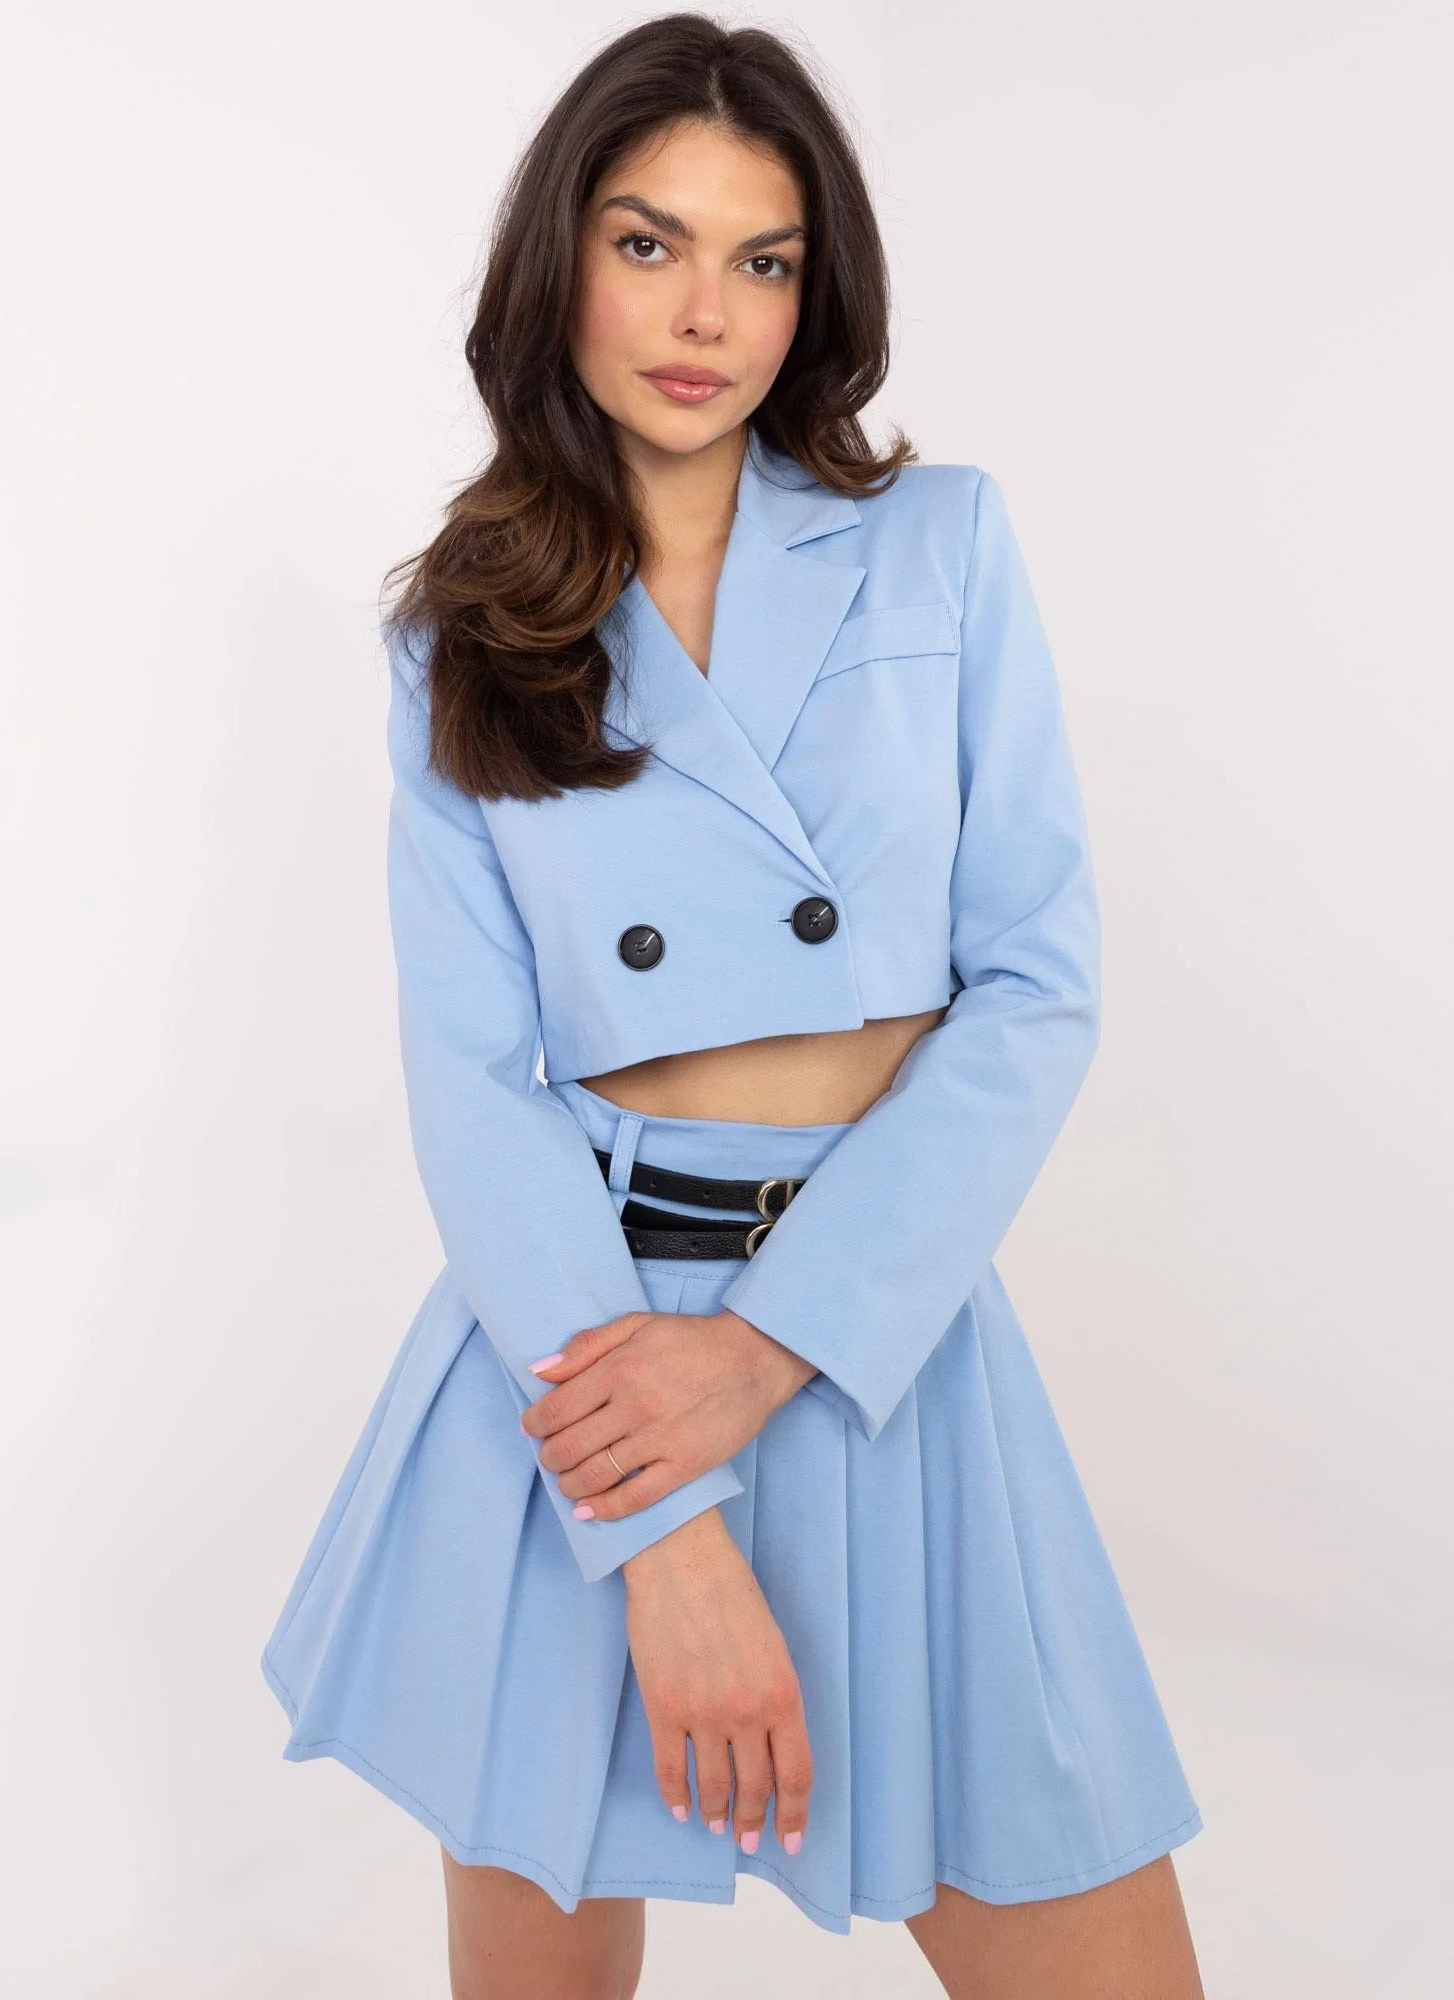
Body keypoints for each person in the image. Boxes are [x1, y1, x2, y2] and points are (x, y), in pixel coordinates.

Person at [260, 15, 1207, 1997]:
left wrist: (773, 1348)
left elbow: (1036, 983)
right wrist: (661, 1530)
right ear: (561, 264)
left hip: (880, 1338)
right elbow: (476, 1085)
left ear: (813, 292)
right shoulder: (466, 628)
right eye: (649, 243)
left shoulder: (939, 546)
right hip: (579, 1377)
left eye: (761, 260)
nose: (706, 314)